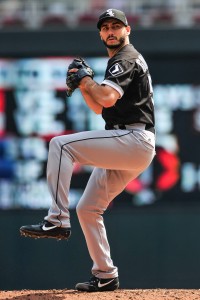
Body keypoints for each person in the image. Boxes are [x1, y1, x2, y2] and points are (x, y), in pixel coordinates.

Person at [20, 8, 156, 292]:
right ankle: (106, 274)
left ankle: (56, 219)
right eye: (105, 27)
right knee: (88, 208)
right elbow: (97, 106)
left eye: (116, 26)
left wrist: (85, 80)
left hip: (133, 139)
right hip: (130, 144)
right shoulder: (119, 61)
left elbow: (105, 97)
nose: (110, 31)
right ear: (100, 33)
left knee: (61, 145)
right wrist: (84, 85)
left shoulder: (125, 58)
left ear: (127, 30)